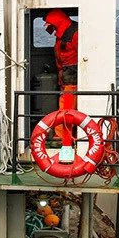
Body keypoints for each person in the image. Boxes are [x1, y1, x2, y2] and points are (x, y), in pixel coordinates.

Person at [43, 9, 79, 146]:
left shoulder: (75, 33)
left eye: (51, 24)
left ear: (58, 22)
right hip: (65, 75)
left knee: (67, 107)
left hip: (72, 76)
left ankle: (63, 138)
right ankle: (68, 136)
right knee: (67, 106)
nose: (50, 28)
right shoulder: (62, 34)